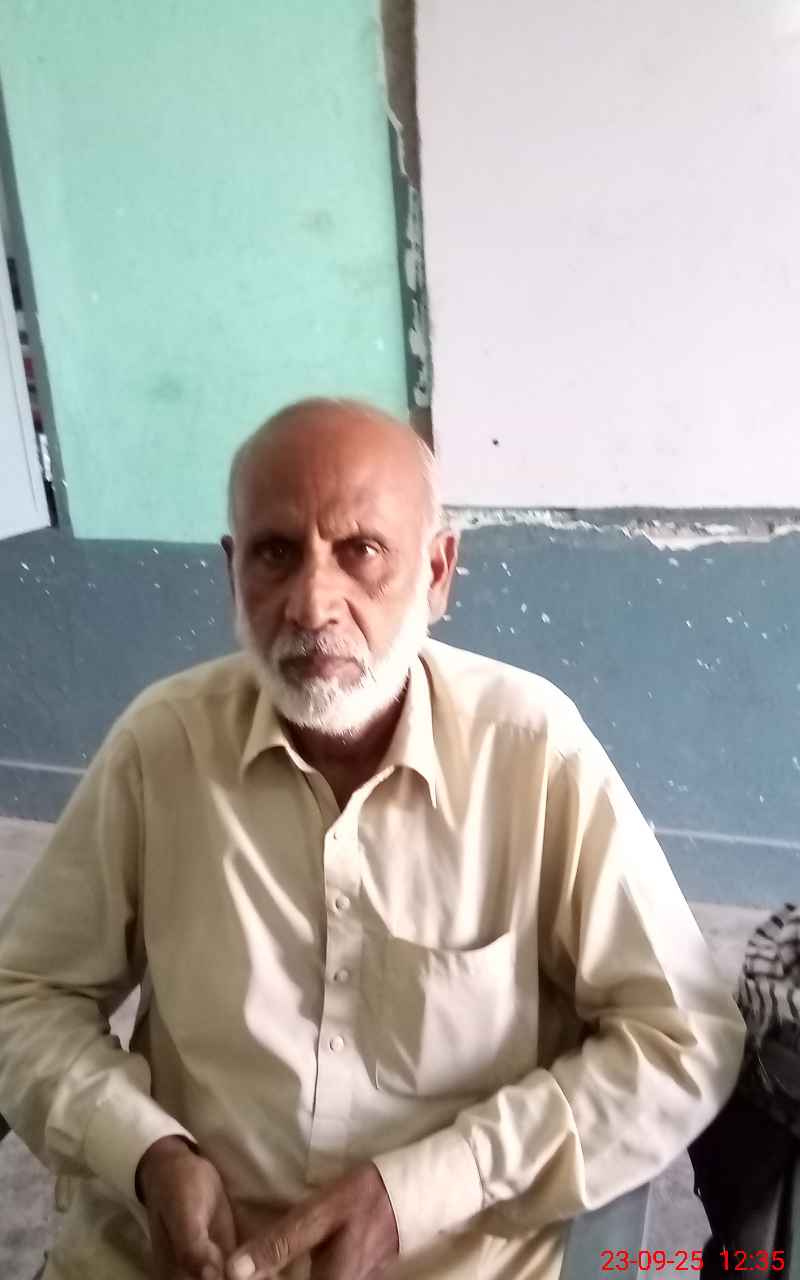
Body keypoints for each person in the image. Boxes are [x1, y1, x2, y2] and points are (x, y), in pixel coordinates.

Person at [0, 398, 744, 1280]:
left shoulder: (532, 751)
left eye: (360, 551)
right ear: (233, 573)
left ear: (437, 571)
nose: (313, 603)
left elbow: (682, 1040)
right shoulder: (164, 747)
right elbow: (24, 995)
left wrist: (422, 1191)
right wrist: (146, 1154)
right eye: (276, 553)